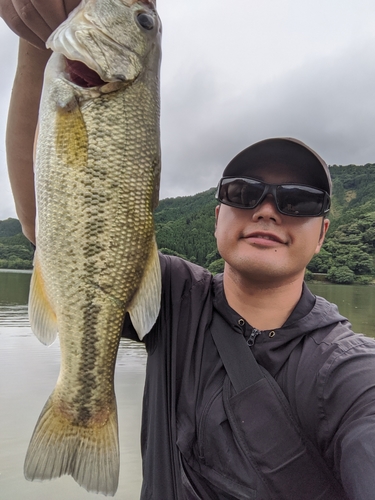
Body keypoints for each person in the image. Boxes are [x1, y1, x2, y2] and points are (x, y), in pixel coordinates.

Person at [2, 2, 375, 499]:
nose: (268, 210)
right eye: (244, 193)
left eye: (298, 201)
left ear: (324, 232)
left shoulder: (348, 373)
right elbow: (40, 223)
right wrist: (34, 38)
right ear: (217, 215)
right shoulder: (178, 299)